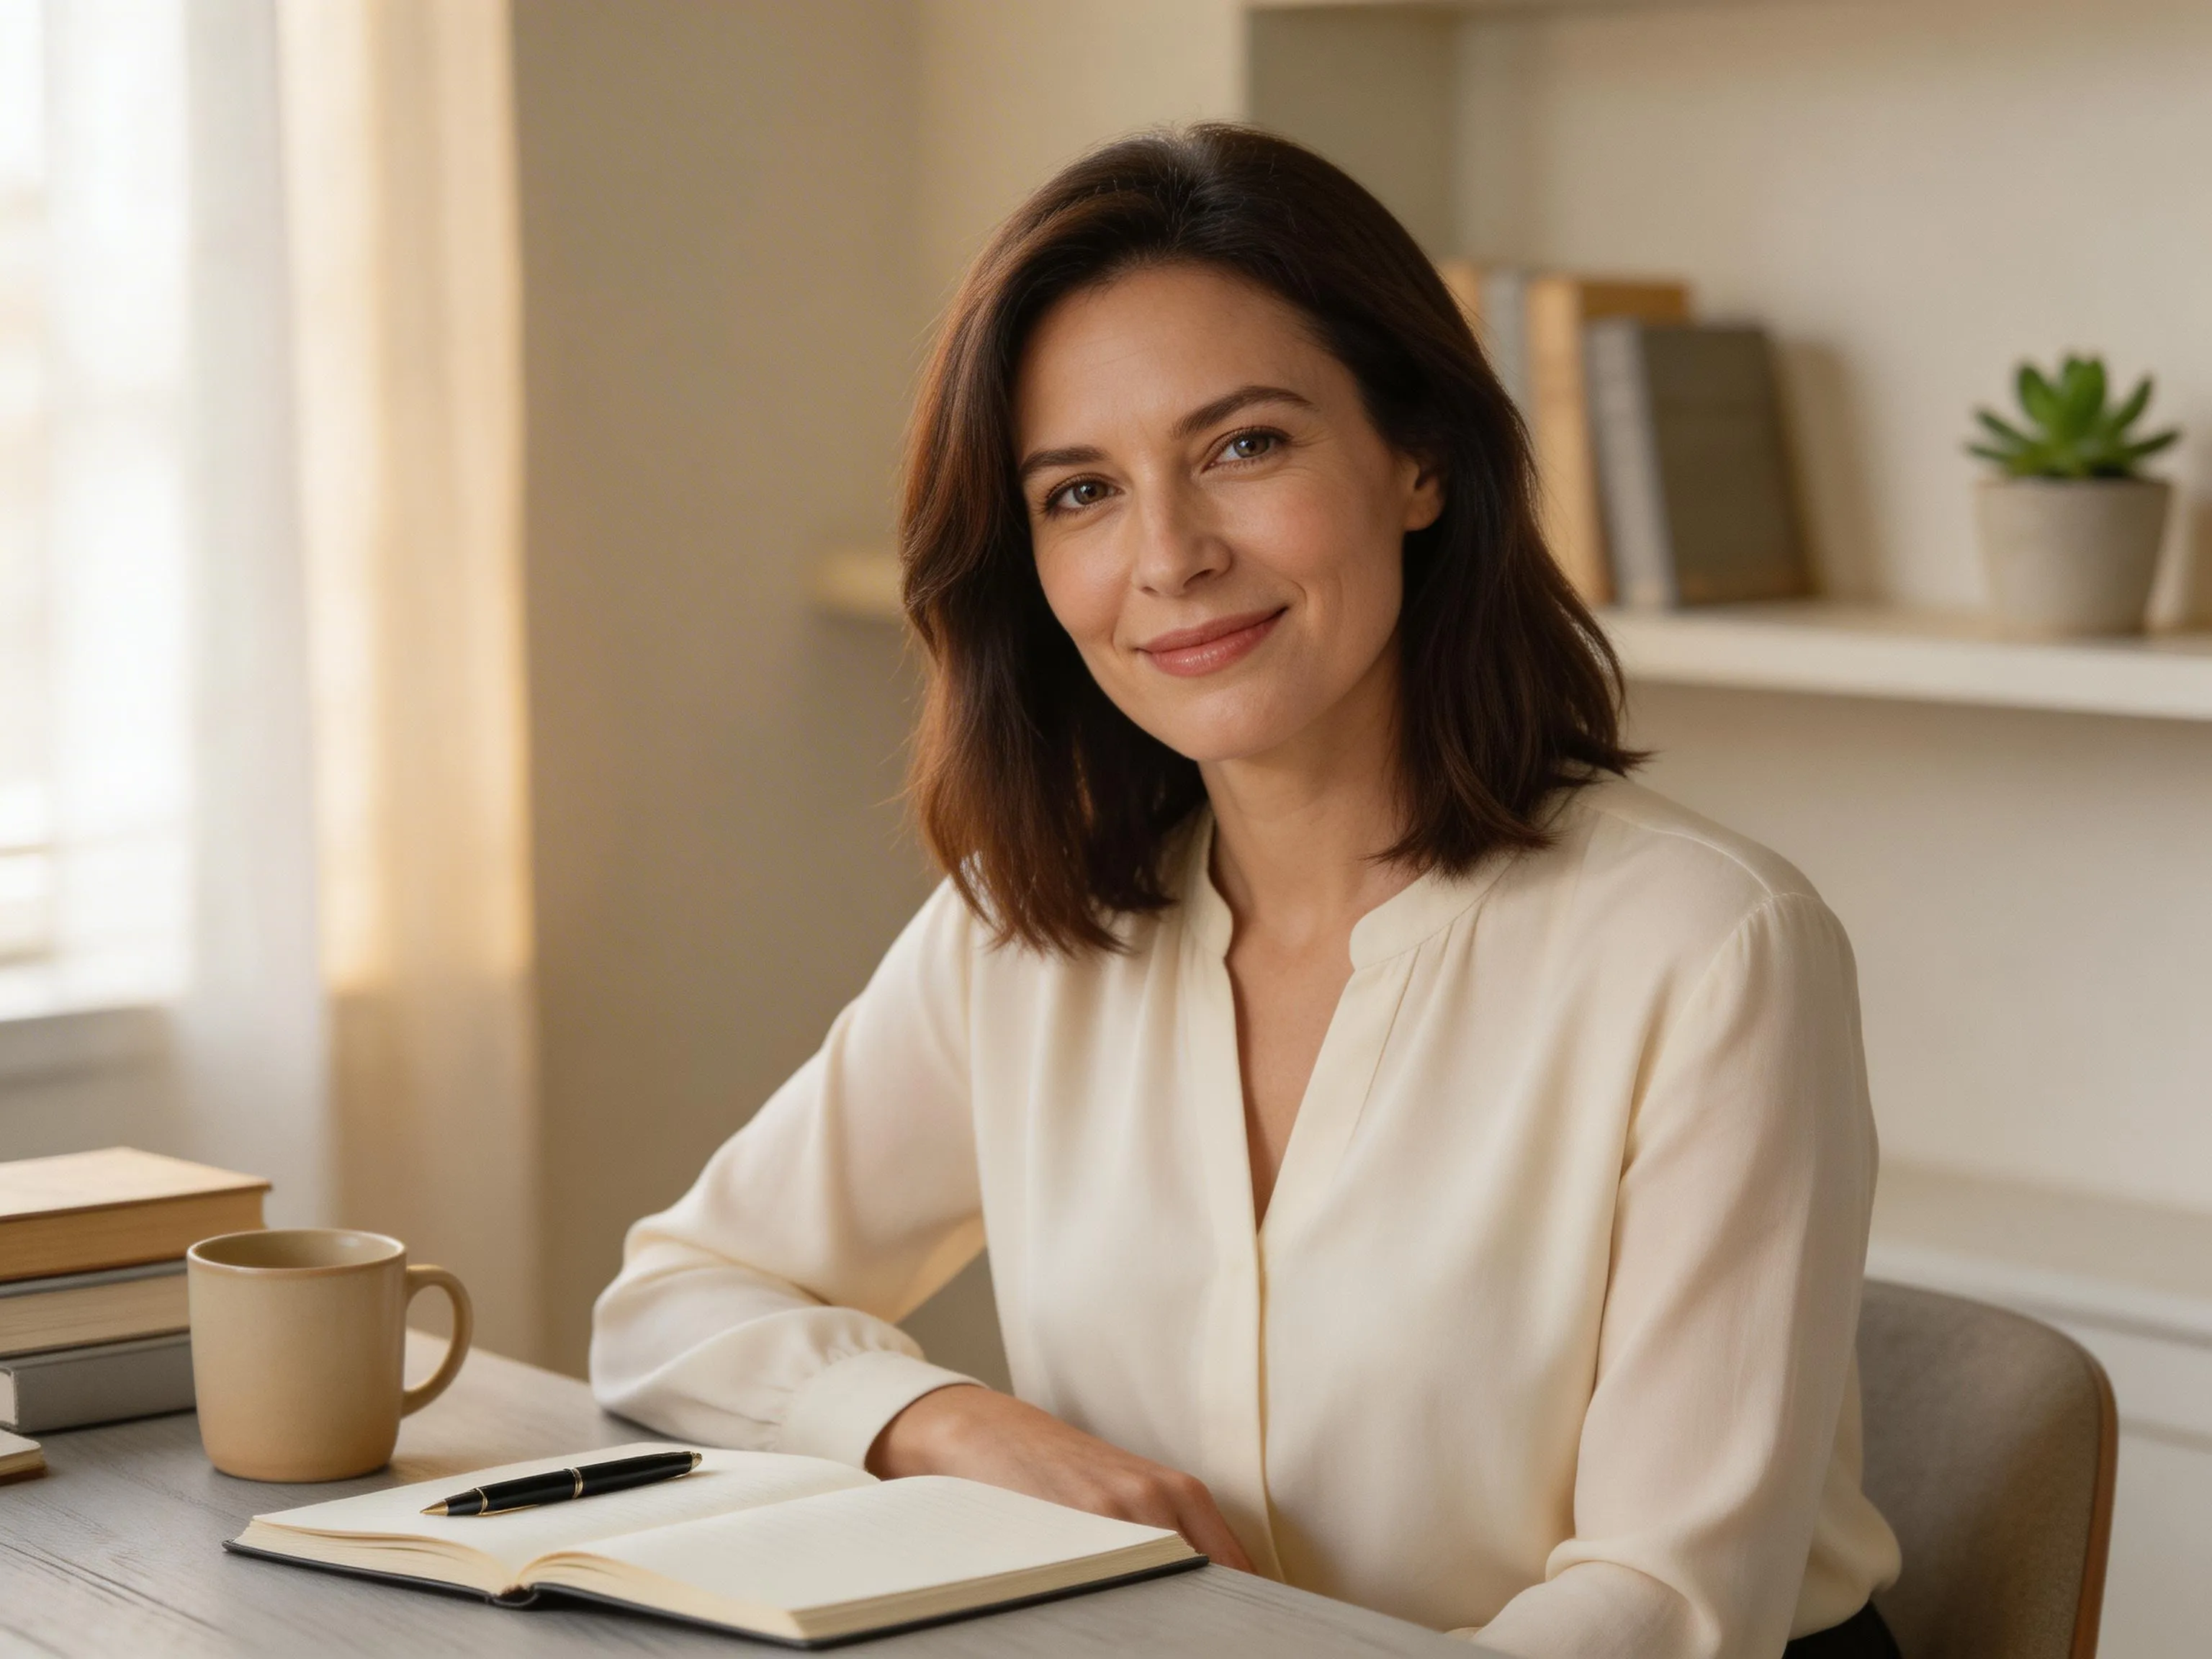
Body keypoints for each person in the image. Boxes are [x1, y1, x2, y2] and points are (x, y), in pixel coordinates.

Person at [591, 125, 1902, 1658]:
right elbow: (678, 1302)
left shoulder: (1709, 948)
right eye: (1080, 492)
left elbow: (1665, 1605)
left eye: (1243, 447)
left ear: (1416, 459)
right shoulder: (1026, 928)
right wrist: (955, 1426)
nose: (1169, 556)